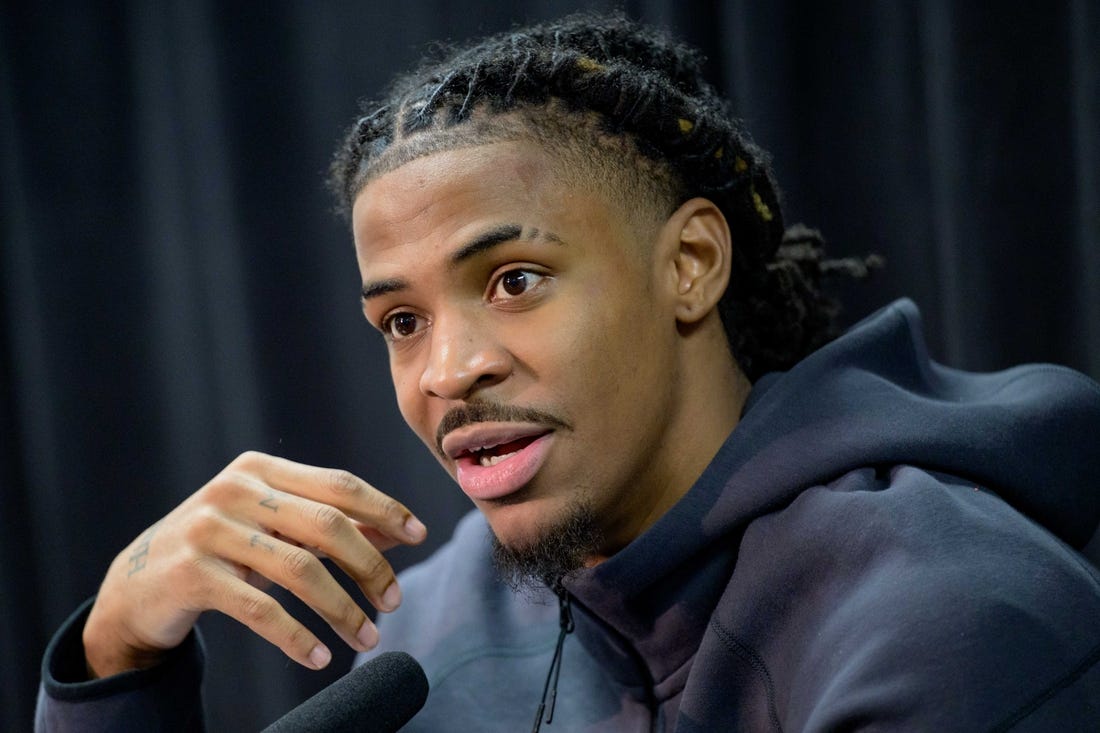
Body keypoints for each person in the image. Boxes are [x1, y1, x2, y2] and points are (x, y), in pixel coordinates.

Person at [37, 13, 1100, 731]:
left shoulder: (951, 621)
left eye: (513, 280)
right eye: (400, 320)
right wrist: (118, 657)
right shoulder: (425, 633)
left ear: (688, 265)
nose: (447, 372)